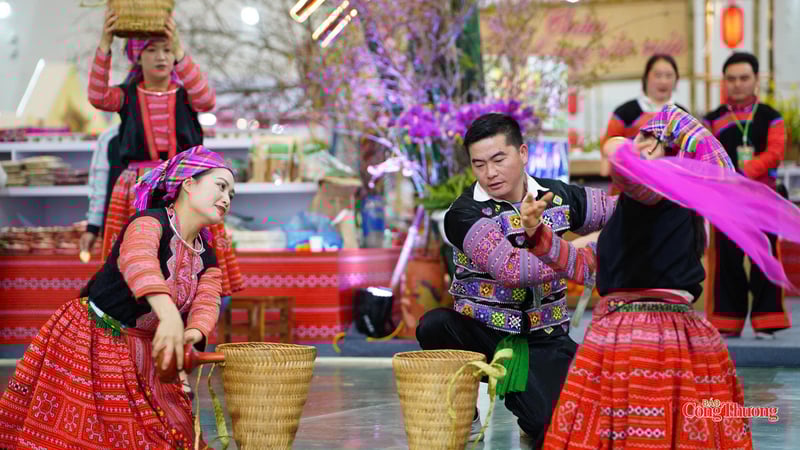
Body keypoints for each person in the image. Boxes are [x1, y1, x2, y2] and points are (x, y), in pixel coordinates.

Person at [525, 106, 753, 449]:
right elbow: (584, 265)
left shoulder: (665, 188)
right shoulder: (633, 206)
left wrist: (625, 147)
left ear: (672, 149)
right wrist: (537, 234)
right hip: (637, 335)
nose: (640, 142)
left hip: (646, 338)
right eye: (640, 135)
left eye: (650, 137)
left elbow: (632, 167)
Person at [0, 146, 234, 448]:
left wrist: (191, 335)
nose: (227, 198)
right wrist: (169, 316)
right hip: (94, 338)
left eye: (231, 194)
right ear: (188, 184)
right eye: (220, 186)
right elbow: (139, 263)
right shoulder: (148, 223)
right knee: (104, 437)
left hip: (146, 349)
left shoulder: (206, 253)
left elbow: (207, 300)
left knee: (173, 433)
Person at [415, 113, 617, 447]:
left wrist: (655, 175)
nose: (490, 173)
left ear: (522, 153)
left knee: (558, 426)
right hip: (482, 333)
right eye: (479, 164)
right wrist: (580, 251)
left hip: (545, 337)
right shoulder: (464, 213)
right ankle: (465, 411)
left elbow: (622, 212)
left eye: (498, 159)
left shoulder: (557, 196)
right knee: (434, 325)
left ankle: (532, 409)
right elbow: (513, 271)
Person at [86, 9, 243, 297]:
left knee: (188, 250)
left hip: (185, 185)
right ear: (137, 57)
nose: (161, 57)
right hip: (137, 186)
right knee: (141, 250)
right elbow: (97, 96)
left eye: (167, 50)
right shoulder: (125, 95)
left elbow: (207, 100)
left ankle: (191, 303)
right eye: (152, 50)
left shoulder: (187, 96)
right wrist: (105, 44)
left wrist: (181, 50)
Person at [703, 52, 790, 339]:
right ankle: (726, 322)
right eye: (731, 79)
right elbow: (703, 153)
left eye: (744, 78)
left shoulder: (771, 116)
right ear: (724, 82)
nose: (738, 84)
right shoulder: (712, 119)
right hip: (725, 201)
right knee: (726, 259)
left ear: (756, 80)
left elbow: (775, 152)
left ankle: (768, 321)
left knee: (764, 255)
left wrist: (742, 172)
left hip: (763, 198)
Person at [601, 54, 687, 177]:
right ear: (646, 77)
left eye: (669, 76)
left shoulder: (683, 115)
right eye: (658, 75)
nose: (663, 81)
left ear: (676, 79)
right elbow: (608, 153)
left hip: (670, 184)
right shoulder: (624, 112)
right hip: (629, 182)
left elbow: (690, 157)